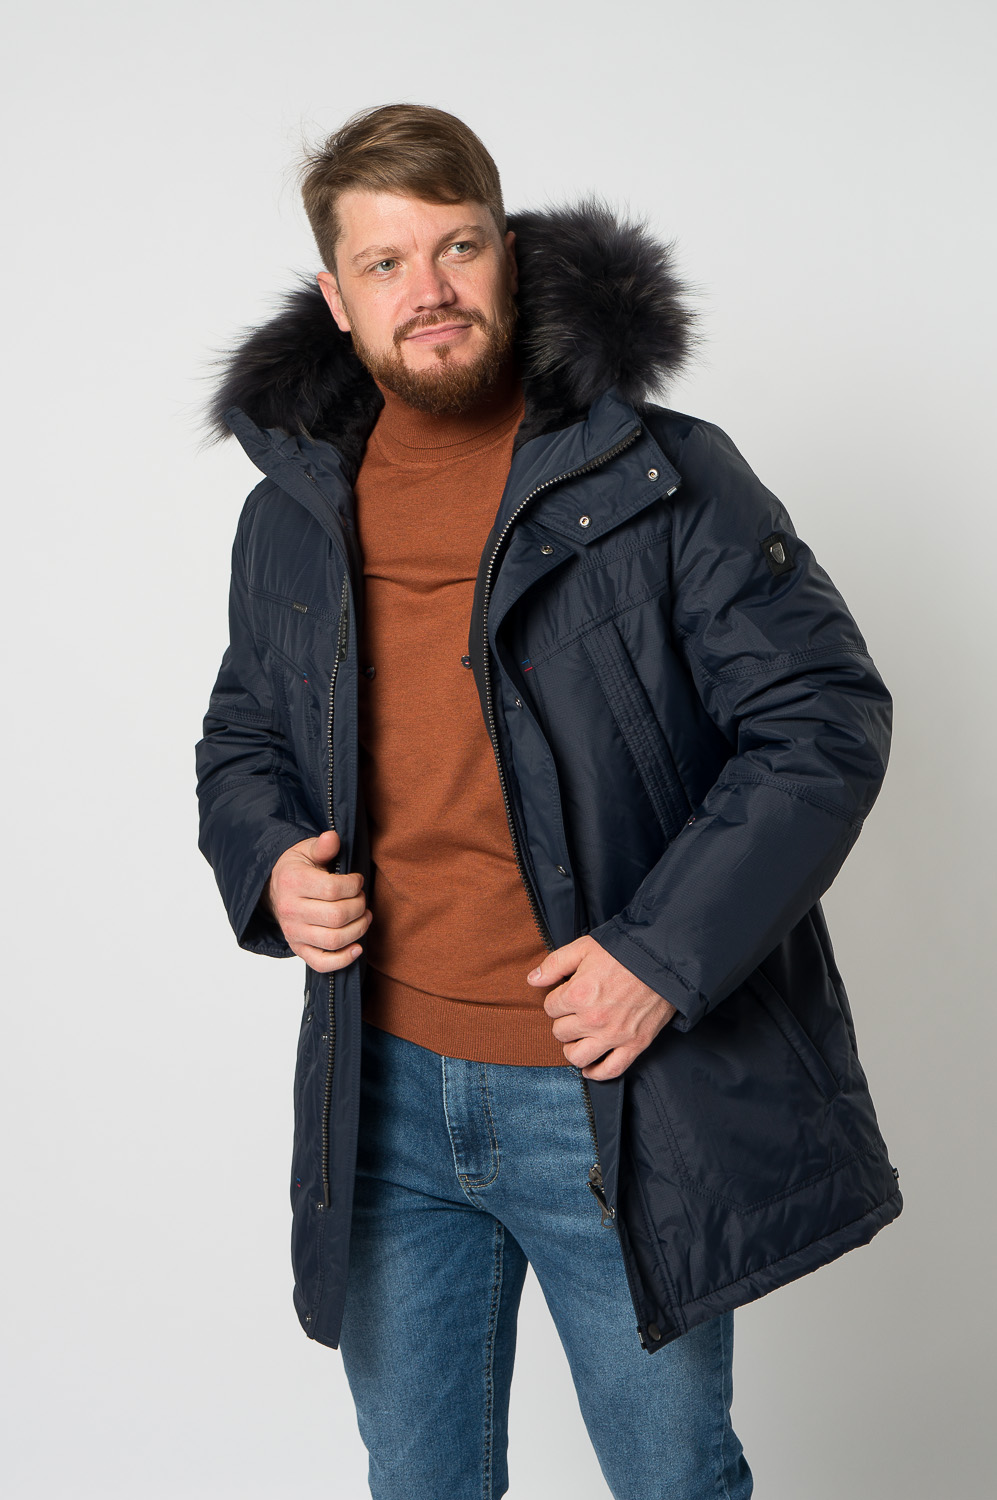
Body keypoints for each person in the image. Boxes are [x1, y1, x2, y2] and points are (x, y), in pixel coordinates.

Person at [196, 102, 902, 1500]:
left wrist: (660, 957)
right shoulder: (292, 510)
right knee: (418, 1484)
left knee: (673, 1479)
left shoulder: (661, 472)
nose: (430, 289)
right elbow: (244, 733)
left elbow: (822, 721)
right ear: (336, 298)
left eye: (457, 246)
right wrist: (269, 859)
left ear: (507, 252)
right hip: (380, 1093)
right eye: (387, 263)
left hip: (608, 1099)